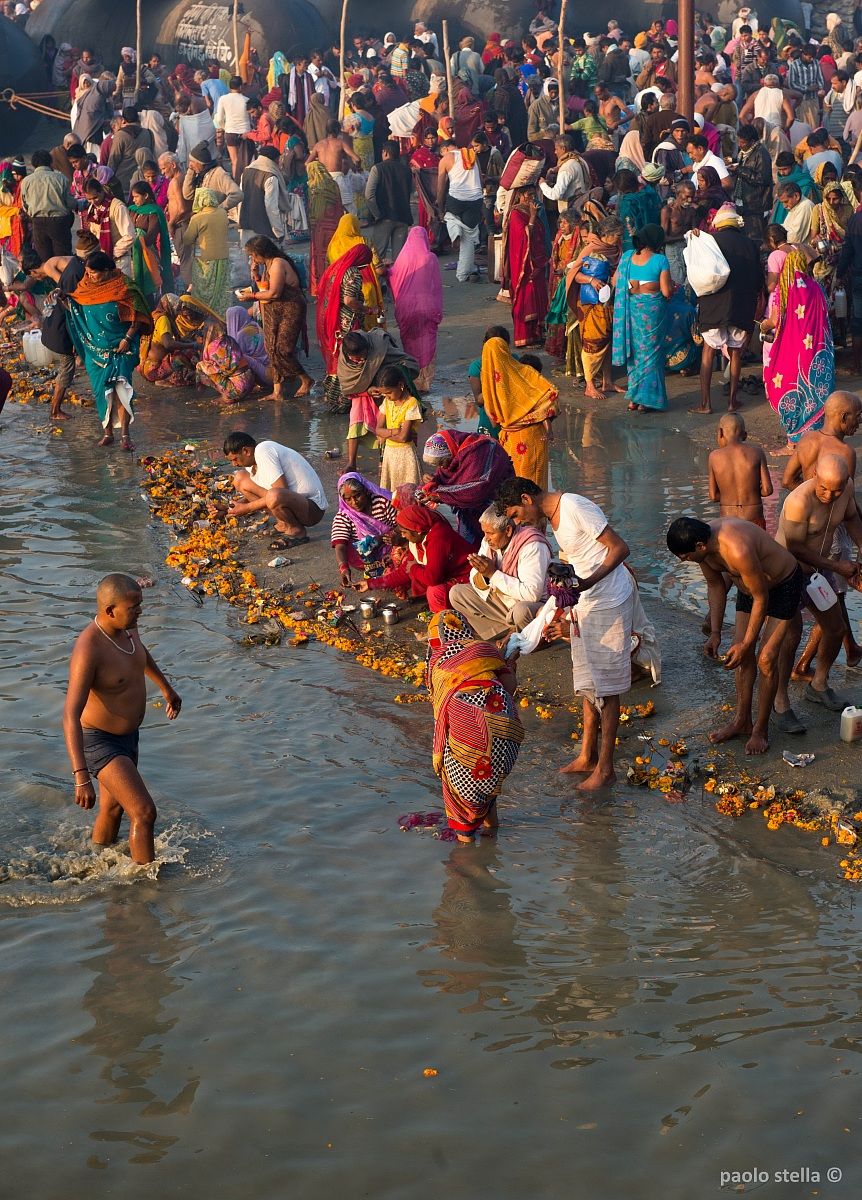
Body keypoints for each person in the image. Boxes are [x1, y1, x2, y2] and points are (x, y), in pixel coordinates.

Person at [499, 477, 635, 791]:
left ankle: (606, 768)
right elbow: (577, 563)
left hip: (610, 601)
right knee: (588, 682)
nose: (520, 523)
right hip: (586, 604)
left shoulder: (574, 506)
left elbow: (620, 548)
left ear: (526, 498)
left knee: (607, 688)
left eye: (517, 515)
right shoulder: (556, 519)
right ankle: (588, 755)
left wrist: (586, 583)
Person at [63, 573, 181, 865]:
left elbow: (140, 655)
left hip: (129, 737)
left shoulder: (129, 629)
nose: (140, 612)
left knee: (113, 809)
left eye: (140, 604)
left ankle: (98, 864)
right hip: (100, 741)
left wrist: (167, 688)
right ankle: (146, 890)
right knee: (143, 812)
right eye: (134, 607)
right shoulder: (89, 649)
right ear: (109, 611)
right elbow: (69, 715)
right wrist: (80, 777)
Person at [666, 516, 806, 753]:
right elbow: (716, 586)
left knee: (766, 659)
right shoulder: (702, 550)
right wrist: (716, 633)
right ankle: (742, 721)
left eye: (685, 556)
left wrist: (747, 643)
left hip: (783, 585)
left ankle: (760, 730)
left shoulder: (737, 549)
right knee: (740, 655)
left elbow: (762, 598)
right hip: (748, 588)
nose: (683, 560)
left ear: (699, 545)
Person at [424, 609, 523, 842]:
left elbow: (441, 712)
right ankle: (491, 833)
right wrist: (506, 662)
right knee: (488, 778)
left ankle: (466, 858)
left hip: (472, 731)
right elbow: (510, 686)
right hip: (504, 730)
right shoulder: (484, 649)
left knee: (461, 791)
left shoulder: (437, 661)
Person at [776, 454, 862, 709]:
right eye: (823, 488)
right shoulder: (799, 501)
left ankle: (819, 685)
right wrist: (838, 567)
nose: (828, 495)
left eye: (835, 490)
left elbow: (852, 518)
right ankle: (780, 700)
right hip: (787, 573)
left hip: (818, 573)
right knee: (791, 637)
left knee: (836, 629)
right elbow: (795, 548)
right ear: (814, 474)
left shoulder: (844, 490)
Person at [65, 249, 152, 450]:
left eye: (93, 272)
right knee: (103, 392)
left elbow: (136, 316)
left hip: (122, 346)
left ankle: (125, 436)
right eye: (86, 272)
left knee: (122, 388)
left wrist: (127, 338)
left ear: (106, 270)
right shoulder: (84, 287)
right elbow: (76, 307)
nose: (89, 276)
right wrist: (63, 297)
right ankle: (108, 433)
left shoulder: (124, 287)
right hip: (95, 349)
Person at [689, 206, 764, 415]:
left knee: (708, 352)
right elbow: (758, 279)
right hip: (741, 306)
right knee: (735, 353)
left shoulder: (709, 241)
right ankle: (732, 402)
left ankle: (705, 404)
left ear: (718, 224)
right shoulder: (750, 245)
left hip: (713, 304)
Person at [760, 248, 834, 447]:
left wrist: (762, 325)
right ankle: (815, 439)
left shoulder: (782, 291)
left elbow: (774, 320)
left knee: (790, 389)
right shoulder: (816, 287)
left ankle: (793, 443)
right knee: (812, 393)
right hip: (816, 351)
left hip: (791, 353)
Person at [449, 504, 551, 640]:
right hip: (504, 603)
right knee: (457, 593)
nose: (486, 538)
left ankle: (533, 639)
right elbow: (474, 577)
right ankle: (502, 632)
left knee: (521, 611)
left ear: (508, 531)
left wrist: (492, 574)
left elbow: (532, 595)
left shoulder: (532, 545)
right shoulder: (489, 542)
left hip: (532, 607)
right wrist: (482, 573)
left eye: (490, 533)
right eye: (484, 533)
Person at [222, 431, 327, 549]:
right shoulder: (251, 463)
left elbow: (280, 491)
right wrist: (229, 509)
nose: (234, 464)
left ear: (246, 451)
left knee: (274, 495)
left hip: (312, 508)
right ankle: (283, 523)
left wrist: (247, 508)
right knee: (240, 479)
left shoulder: (263, 450)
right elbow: (259, 492)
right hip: (293, 501)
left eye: (235, 459)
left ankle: (296, 530)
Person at [238, 235, 312, 400]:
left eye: (253, 255)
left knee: (283, 350)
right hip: (273, 310)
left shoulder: (277, 264)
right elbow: (265, 288)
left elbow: (275, 293)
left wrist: (252, 296)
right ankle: (277, 391)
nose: (252, 258)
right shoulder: (267, 265)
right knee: (271, 348)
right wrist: (255, 274)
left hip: (290, 309)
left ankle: (305, 379)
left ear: (260, 253)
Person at [360, 504, 473, 610]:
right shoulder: (419, 539)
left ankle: (448, 622)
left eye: (404, 532)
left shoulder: (438, 538)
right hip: (449, 574)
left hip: (466, 578)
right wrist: (370, 584)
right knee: (419, 572)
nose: (403, 536)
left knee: (434, 591)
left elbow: (432, 578)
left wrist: (414, 568)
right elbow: (404, 571)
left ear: (417, 531)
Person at [611, 224, 673, 413]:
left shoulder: (627, 257)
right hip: (652, 316)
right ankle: (646, 401)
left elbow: (615, 281)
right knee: (651, 356)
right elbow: (666, 292)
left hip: (631, 313)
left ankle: (633, 399)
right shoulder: (660, 260)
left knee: (635, 355)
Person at [317, 240, 384, 415]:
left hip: (332, 320)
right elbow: (349, 300)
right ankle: (345, 400)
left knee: (335, 357)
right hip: (347, 322)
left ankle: (333, 399)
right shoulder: (353, 272)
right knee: (349, 358)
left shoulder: (335, 269)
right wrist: (369, 309)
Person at [480, 336, 557, 488]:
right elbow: (549, 395)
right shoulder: (524, 372)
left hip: (510, 439)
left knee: (514, 484)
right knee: (535, 483)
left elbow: (493, 421)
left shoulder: (490, 385)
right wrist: (542, 423)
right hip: (533, 435)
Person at [420, 429, 515, 544]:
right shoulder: (454, 455)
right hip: (467, 512)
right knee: (468, 547)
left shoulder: (478, 452)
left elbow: (475, 489)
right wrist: (434, 480)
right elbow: (449, 477)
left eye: (442, 462)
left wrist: (440, 495)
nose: (442, 467)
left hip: (494, 505)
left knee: (495, 543)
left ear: (451, 452)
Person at [389, 226, 442, 393]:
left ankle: (412, 378)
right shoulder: (430, 258)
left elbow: (393, 279)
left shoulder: (402, 259)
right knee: (427, 342)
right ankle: (424, 383)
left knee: (410, 344)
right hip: (426, 306)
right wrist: (438, 309)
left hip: (406, 308)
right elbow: (436, 286)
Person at [331, 471, 397, 587]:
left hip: (392, 547)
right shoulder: (344, 515)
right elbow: (339, 545)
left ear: (365, 490)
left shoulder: (381, 502)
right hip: (366, 559)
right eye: (348, 499)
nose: (354, 502)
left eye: (357, 495)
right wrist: (343, 567)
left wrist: (381, 539)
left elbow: (402, 525)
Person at [708, 413, 773, 528]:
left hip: (728, 521)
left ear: (720, 433)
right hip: (753, 518)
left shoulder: (714, 456)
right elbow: (767, 490)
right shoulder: (757, 452)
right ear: (745, 435)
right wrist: (751, 491)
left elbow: (713, 496)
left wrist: (729, 495)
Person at [506, 187, 550, 348]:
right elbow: (523, 238)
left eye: (533, 194)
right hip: (524, 265)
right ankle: (525, 336)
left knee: (539, 297)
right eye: (528, 195)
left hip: (537, 261)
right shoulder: (516, 214)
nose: (531, 198)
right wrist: (532, 217)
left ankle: (537, 334)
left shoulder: (534, 209)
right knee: (527, 297)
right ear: (518, 196)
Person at [437, 137, 484, 282]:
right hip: (475, 198)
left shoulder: (446, 159)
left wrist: (440, 208)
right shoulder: (472, 155)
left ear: (445, 149)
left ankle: (455, 233)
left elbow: (441, 187)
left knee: (450, 217)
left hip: (456, 199)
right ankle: (463, 274)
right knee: (469, 238)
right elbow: (481, 180)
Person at [184, 187, 232, 318]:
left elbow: (187, 239)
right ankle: (221, 318)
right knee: (220, 291)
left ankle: (204, 317)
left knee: (203, 289)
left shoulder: (198, 218)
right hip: (223, 258)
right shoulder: (223, 213)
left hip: (204, 260)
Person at [19, 148, 75, 261]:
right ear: (50, 162)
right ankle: (64, 279)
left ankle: (48, 278)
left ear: (34, 164)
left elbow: (25, 205)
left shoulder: (26, 181)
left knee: (45, 261)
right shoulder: (61, 178)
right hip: (59, 223)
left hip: (38, 223)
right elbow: (70, 203)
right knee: (64, 259)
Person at [374, 363, 423, 491]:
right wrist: (394, 431)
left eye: (389, 393)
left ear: (401, 385)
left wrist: (385, 434)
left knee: (409, 494)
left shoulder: (411, 403)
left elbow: (404, 438)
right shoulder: (387, 401)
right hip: (389, 454)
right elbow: (377, 429)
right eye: (385, 394)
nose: (387, 397)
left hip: (406, 455)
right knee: (390, 494)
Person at [365, 141, 413, 263]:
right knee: (399, 259)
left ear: (385, 153)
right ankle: (399, 282)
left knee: (378, 257)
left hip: (384, 218)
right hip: (402, 217)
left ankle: (379, 282)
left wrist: (376, 215)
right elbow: (411, 192)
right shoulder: (407, 170)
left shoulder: (377, 169)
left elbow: (369, 195)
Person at [138, 292, 199, 387]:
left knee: (183, 348)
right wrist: (192, 345)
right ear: (169, 306)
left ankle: (167, 377)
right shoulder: (163, 319)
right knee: (182, 355)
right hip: (155, 369)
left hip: (147, 366)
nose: (177, 312)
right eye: (176, 308)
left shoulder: (155, 315)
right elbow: (168, 344)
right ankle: (166, 379)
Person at [128, 180, 172, 304]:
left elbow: (151, 236)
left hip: (146, 253)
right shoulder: (132, 210)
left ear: (146, 196)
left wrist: (137, 240)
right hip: (131, 253)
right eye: (133, 197)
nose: (134, 200)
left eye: (136, 196)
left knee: (148, 284)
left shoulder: (154, 212)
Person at [306, 160, 345, 296]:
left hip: (318, 230)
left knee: (319, 258)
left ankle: (321, 288)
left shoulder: (313, 187)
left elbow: (314, 213)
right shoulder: (333, 185)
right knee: (334, 256)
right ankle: (336, 284)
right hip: (334, 226)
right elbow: (339, 204)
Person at [108, 107, 155, 199]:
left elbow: (113, 161)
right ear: (138, 118)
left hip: (123, 182)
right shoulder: (148, 133)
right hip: (144, 181)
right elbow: (150, 154)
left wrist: (109, 181)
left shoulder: (120, 135)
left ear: (123, 120)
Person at [213, 76, 252, 180]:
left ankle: (236, 185)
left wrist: (225, 128)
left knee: (234, 161)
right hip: (245, 133)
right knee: (245, 162)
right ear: (240, 87)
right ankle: (246, 184)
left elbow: (219, 118)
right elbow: (250, 118)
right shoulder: (246, 100)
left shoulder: (223, 99)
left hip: (230, 132)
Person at [614, 168, 662, 252]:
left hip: (637, 245)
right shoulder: (649, 193)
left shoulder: (628, 202)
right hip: (655, 238)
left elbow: (629, 225)